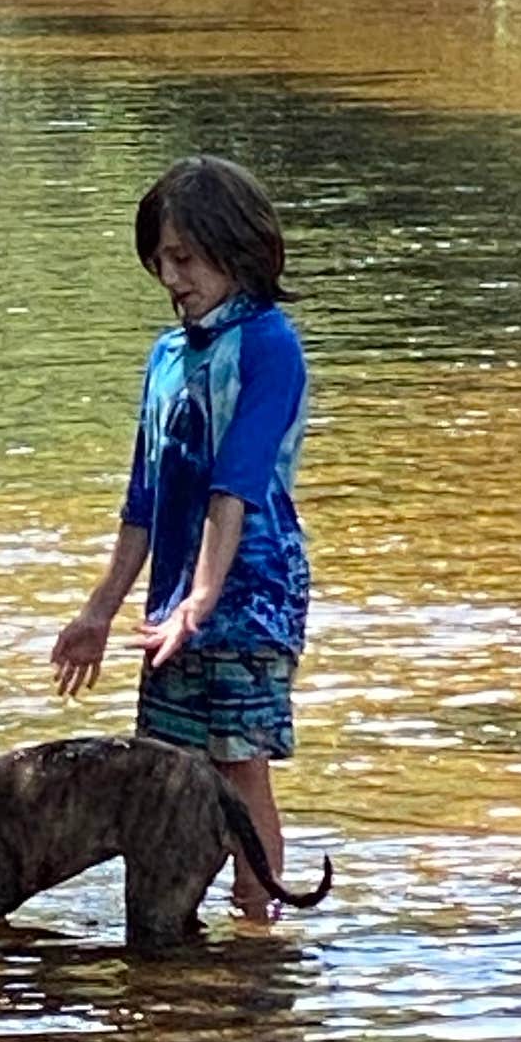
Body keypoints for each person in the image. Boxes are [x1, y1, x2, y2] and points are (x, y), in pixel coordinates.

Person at [50, 154, 309, 919]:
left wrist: (204, 598)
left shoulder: (270, 346)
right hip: (173, 612)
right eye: (160, 261)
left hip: (252, 599)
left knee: (238, 768)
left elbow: (237, 481)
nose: (171, 278)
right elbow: (144, 500)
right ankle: (175, 930)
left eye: (184, 259)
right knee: (165, 776)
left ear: (236, 250)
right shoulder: (166, 359)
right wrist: (100, 610)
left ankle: (256, 933)